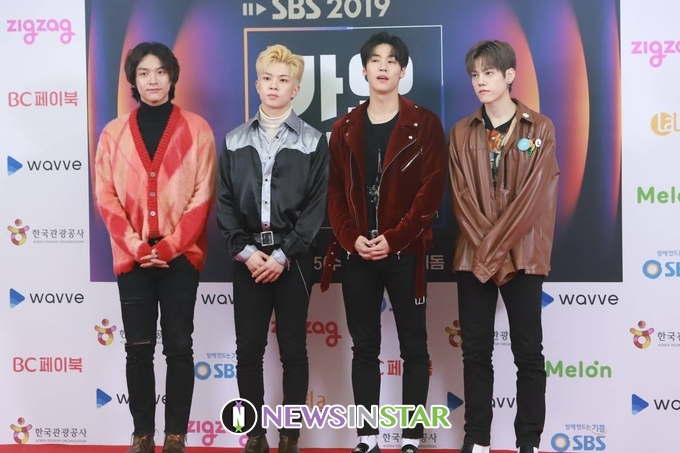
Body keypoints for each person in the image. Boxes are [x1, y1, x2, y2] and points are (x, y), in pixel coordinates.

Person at [320, 31, 447, 453]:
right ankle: (367, 437)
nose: (383, 67)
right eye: (375, 60)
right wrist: (350, 238)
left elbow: (431, 192)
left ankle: (411, 438)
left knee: (414, 347)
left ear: (403, 71)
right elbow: (334, 193)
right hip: (357, 254)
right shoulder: (344, 128)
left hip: (405, 254)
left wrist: (393, 239)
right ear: (363, 70)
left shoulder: (425, 124)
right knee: (364, 348)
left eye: (391, 60)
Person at [94, 41, 217, 453]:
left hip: (180, 260)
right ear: (133, 79)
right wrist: (134, 245)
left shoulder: (197, 130)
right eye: (144, 73)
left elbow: (203, 195)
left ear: (172, 77)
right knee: (138, 349)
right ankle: (142, 434)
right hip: (132, 261)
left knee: (179, 347)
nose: (152, 80)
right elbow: (106, 196)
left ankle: (176, 435)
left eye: (160, 72)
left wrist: (170, 247)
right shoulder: (113, 134)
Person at [448, 40, 560, 453]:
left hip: (523, 257)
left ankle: (528, 442)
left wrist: (493, 254)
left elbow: (532, 200)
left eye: (489, 73)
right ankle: (476, 439)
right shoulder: (461, 131)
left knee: (528, 353)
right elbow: (461, 200)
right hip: (473, 258)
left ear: (509, 75)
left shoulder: (540, 128)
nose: (480, 81)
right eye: (475, 75)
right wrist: (491, 256)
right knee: (475, 352)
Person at [216, 44, 329, 453]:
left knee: (294, 350)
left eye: (283, 80)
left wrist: (283, 256)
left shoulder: (313, 141)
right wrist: (247, 253)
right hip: (248, 257)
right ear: (257, 83)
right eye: (267, 79)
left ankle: (290, 436)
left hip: (292, 259)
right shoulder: (233, 140)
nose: (274, 86)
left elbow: (316, 209)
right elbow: (224, 204)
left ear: (296, 89)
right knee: (248, 351)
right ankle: (255, 435)